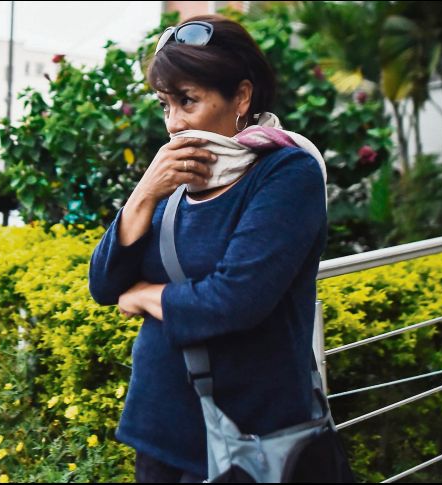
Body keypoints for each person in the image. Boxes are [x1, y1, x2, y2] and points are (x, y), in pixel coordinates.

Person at [88, 14, 329, 483]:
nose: (174, 123)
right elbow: (103, 286)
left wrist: (143, 297)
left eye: (188, 101)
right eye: (164, 104)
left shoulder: (285, 172)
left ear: (240, 96)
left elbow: (236, 299)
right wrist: (144, 194)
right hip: (160, 430)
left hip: (250, 433)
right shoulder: (176, 180)